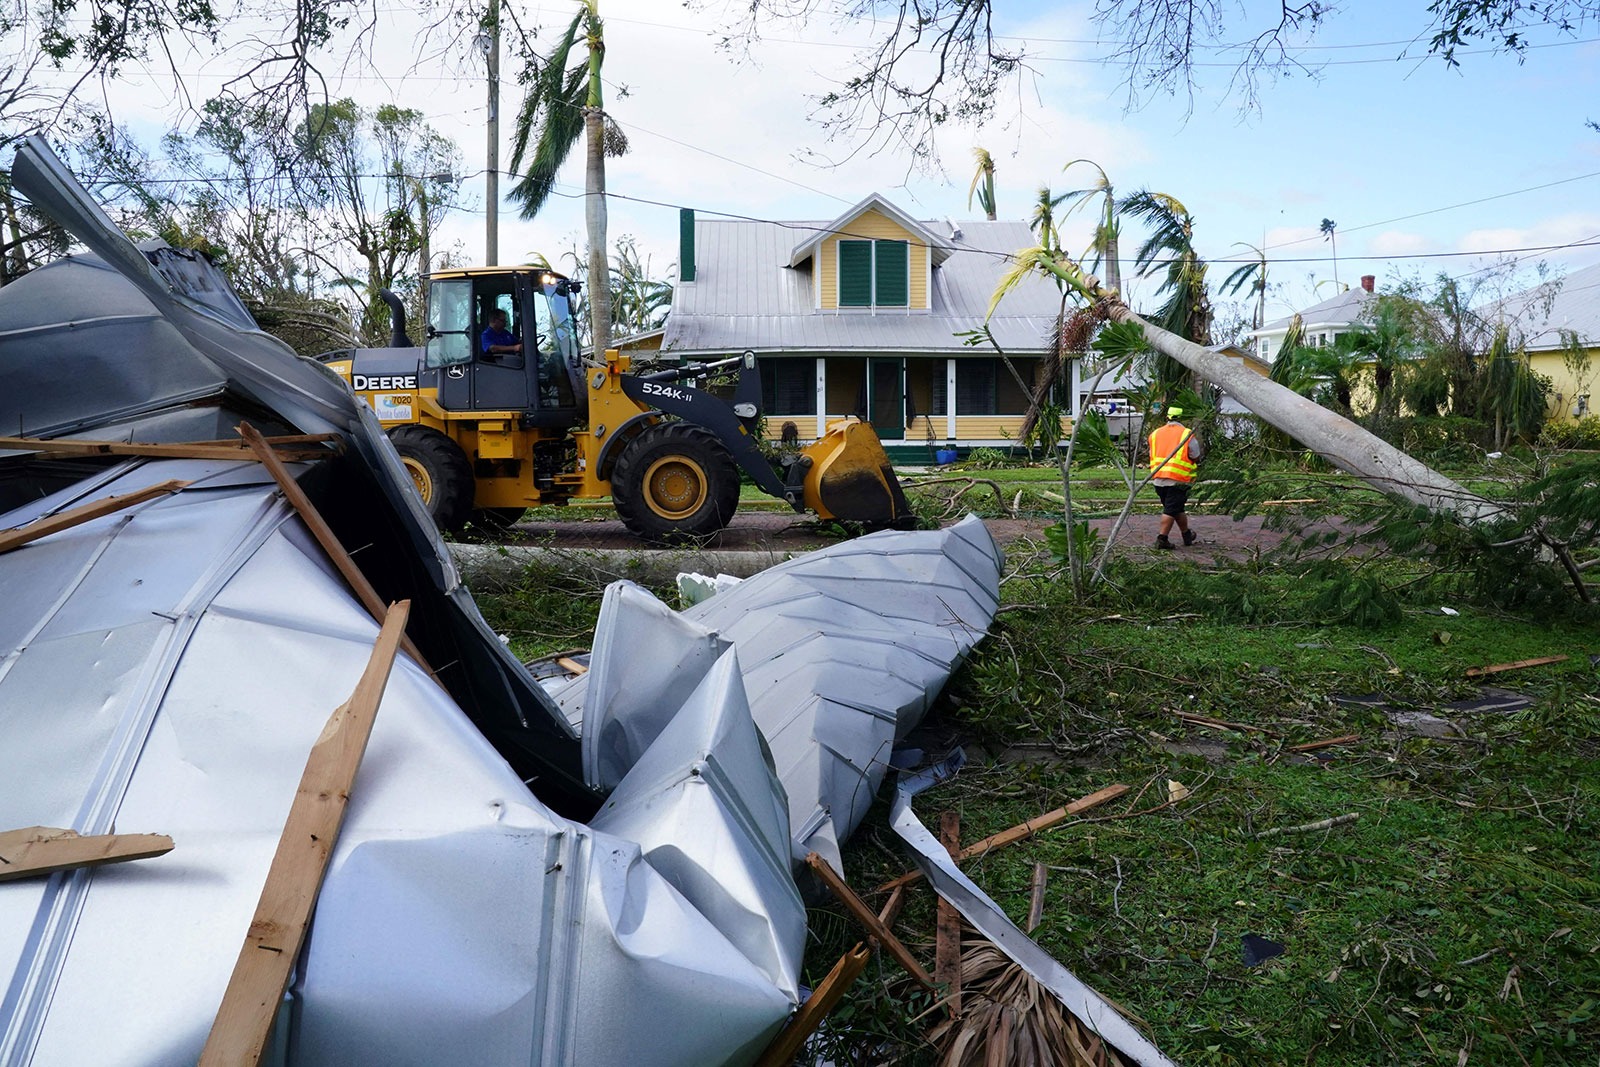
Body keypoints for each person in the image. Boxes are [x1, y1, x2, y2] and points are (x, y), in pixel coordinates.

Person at [1147, 405, 1203, 550]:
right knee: (1171, 510)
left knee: (1176, 508)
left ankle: (1186, 535)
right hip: (1178, 480)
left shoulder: (1155, 433)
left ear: (1167, 417)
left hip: (1158, 479)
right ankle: (1162, 539)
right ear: (1182, 418)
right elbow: (1195, 455)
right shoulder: (1186, 434)